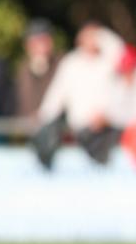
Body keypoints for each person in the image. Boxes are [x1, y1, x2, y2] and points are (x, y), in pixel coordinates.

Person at [34, 21, 124, 166]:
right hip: (80, 132)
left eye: (95, 36)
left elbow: (119, 50)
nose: (91, 40)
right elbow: (56, 95)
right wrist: (44, 116)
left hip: (106, 129)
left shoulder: (107, 62)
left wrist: (101, 34)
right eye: (88, 36)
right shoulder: (71, 63)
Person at [14, 18, 61, 119]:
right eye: (35, 42)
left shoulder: (62, 65)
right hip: (26, 129)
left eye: (43, 41)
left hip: (54, 128)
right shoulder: (23, 69)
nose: (40, 46)